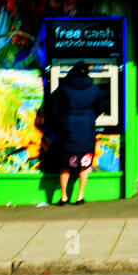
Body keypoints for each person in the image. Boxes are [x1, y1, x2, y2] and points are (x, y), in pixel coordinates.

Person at [50, 62, 106, 205]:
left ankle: (63, 197)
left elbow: (54, 108)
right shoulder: (94, 89)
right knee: (84, 162)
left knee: (65, 163)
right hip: (87, 128)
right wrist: (89, 116)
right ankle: (80, 197)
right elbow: (100, 108)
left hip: (67, 128)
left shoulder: (63, 87)